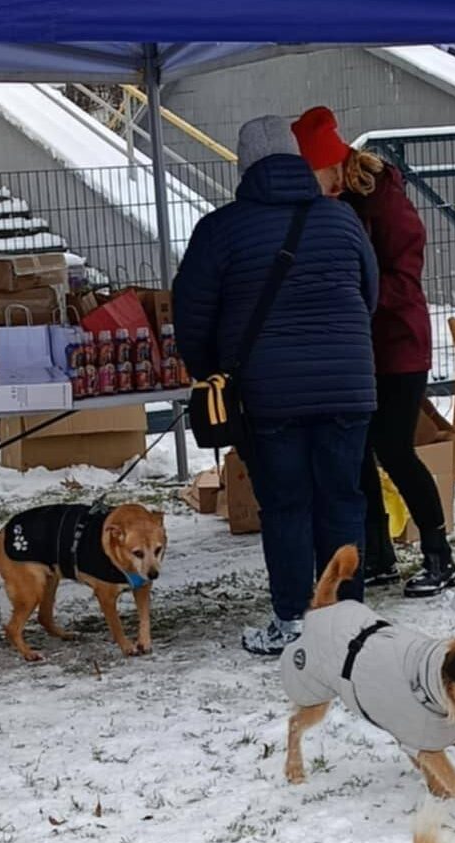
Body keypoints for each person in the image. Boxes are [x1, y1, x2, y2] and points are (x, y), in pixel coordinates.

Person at [173, 115, 380, 654]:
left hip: (269, 396)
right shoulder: (341, 221)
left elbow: (192, 314)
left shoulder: (220, 230)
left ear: (243, 167)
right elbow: (369, 292)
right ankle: (348, 618)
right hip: (348, 386)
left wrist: (210, 372)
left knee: (286, 505)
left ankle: (293, 619)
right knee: (342, 500)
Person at [291, 106, 455, 599]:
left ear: (333, 166)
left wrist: (351, 293)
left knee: (394, 449)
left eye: (312, 173)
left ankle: (438, 553)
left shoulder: (383, 200)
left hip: (398, 345)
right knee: (358, 451)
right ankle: (378, 551)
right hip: (357, 347)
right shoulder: (335, 201)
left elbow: (405, 278)